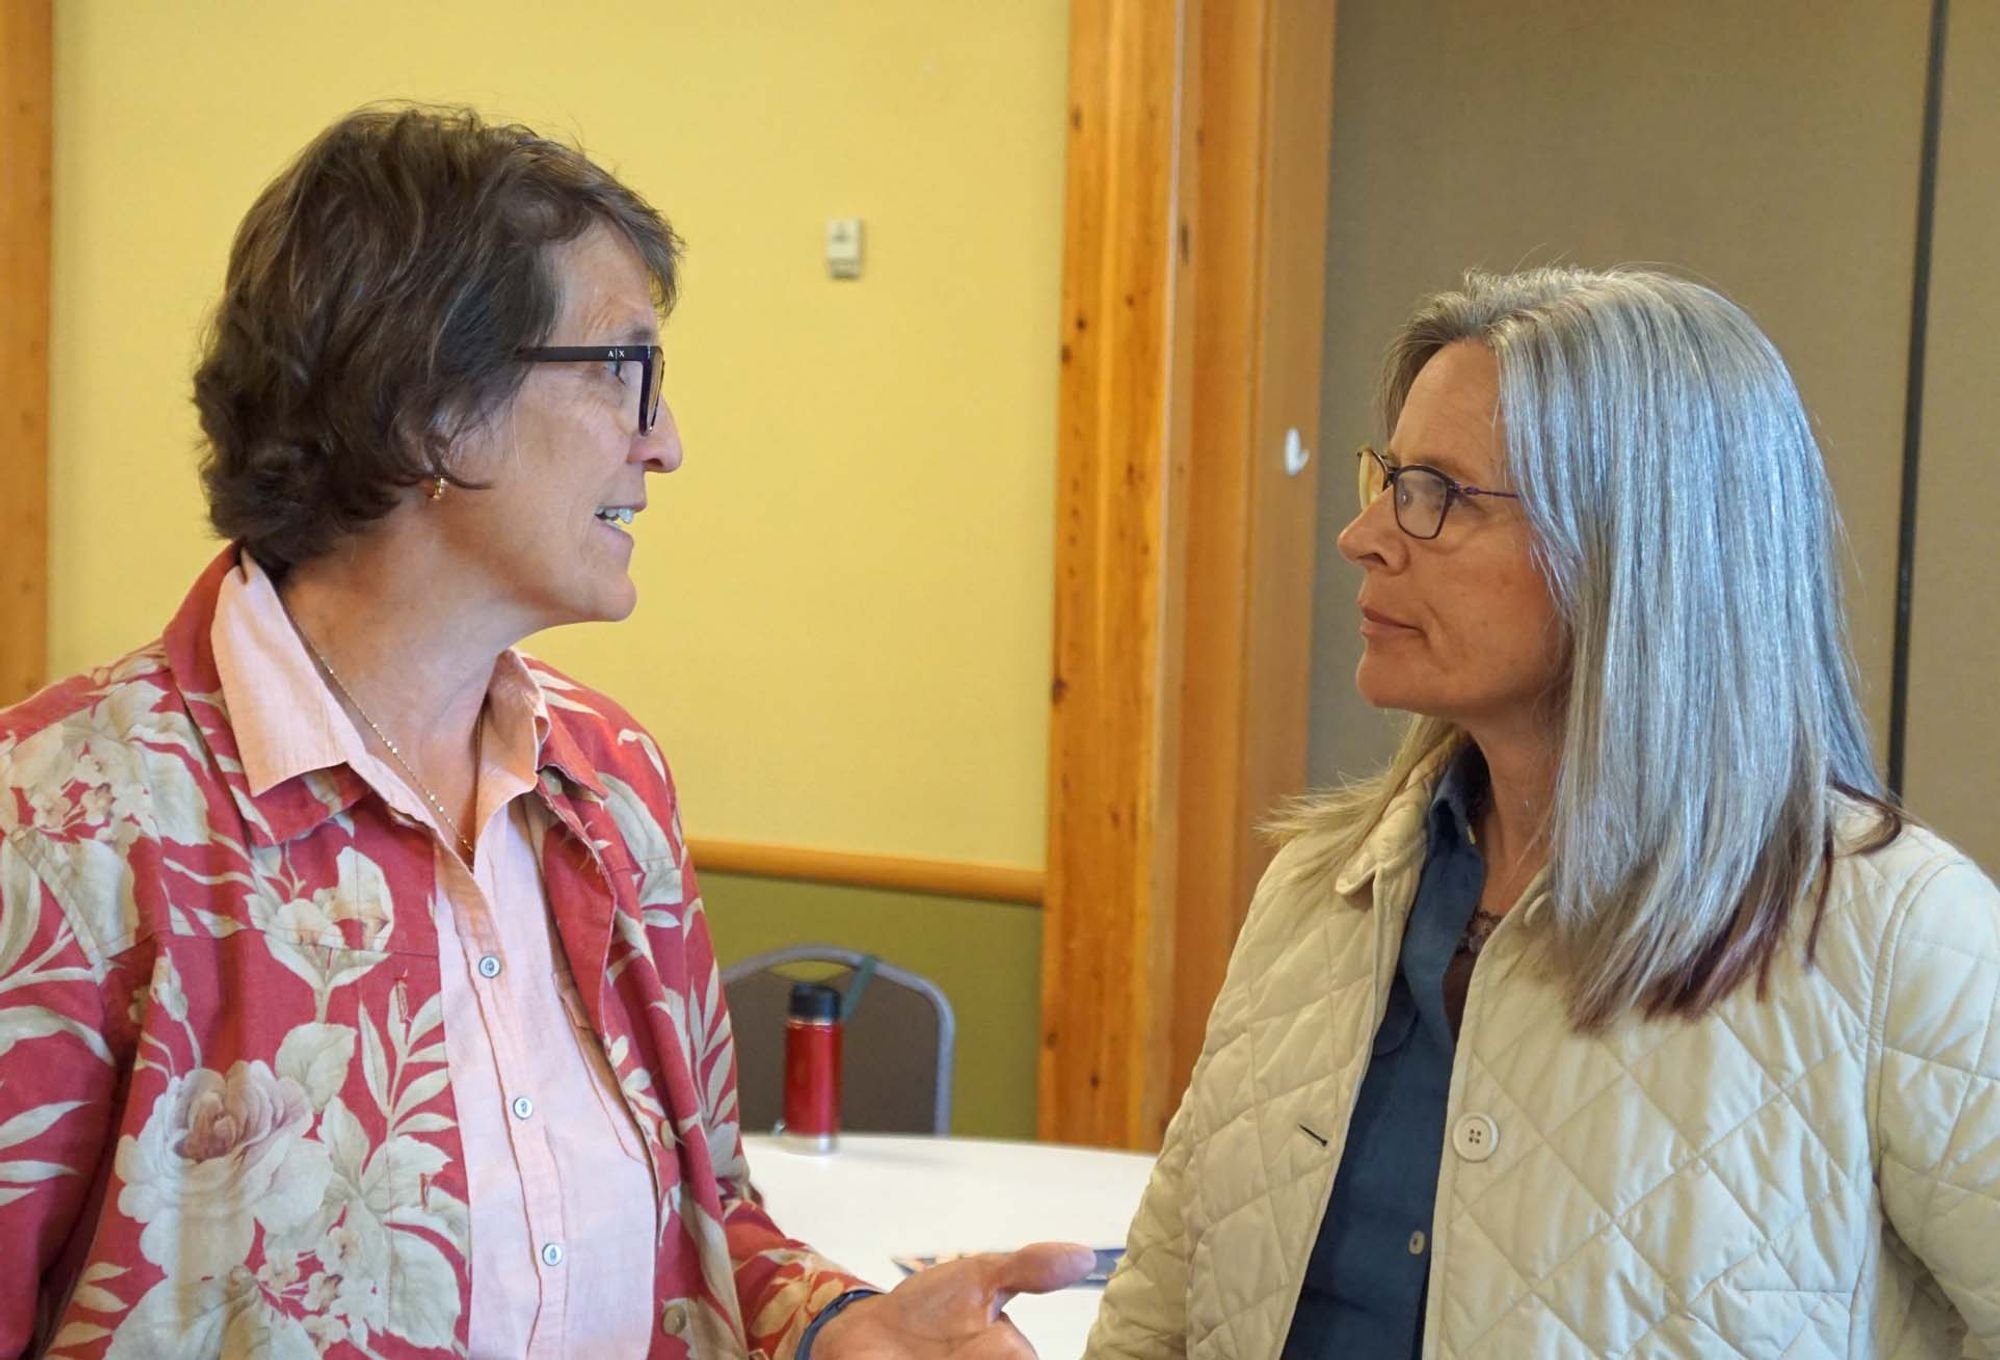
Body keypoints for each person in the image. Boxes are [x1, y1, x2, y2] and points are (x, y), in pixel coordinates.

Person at [0, 104, 1089, 1359]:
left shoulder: (609, 785)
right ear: (427, 408)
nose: (665, 443)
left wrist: (837, 1324)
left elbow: (706, 1217)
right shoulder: (62, 820)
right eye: (626, 368)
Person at [1085, 267, 2000, 1359]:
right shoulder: (1319, 892)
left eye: (1437, 492)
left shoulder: (1898, 938)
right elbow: (1157, 1320)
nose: (1364, 535)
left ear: (1634, 548)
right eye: (1385, 478)